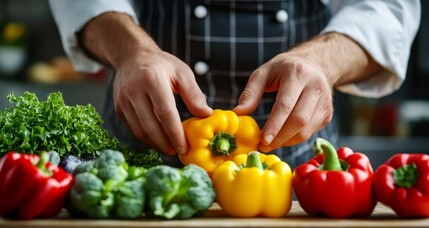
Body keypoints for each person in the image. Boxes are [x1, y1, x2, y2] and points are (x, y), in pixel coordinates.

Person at [49, 0, 420, 169]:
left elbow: (388, 9)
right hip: (136, 163)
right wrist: (132, 51)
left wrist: (320, 60)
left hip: (294, 175)